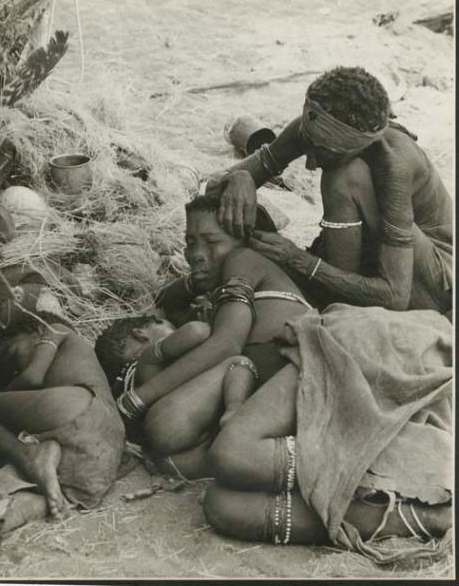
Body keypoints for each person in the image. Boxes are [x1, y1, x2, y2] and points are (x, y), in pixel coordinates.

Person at [202, 304, 453, 560]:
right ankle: (357, 485)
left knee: (224, 503)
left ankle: (422, 518)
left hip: (397, 346)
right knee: (226, 472)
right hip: (377, 336)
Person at [206, 66, 452, 316]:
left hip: (434, 281)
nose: (310, 164)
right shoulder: (314, 127)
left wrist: (300, 261)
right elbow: (213, 191)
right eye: (306, 144)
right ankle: (330, 286)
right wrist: (241, 178)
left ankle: (330, 295)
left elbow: (395, 296)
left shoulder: (394, 166)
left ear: (359, 145)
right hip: (380, 260)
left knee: (343, 177)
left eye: (323, 152)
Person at [117, 195, 313, 478]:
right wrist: (198, 280)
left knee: (166, 433)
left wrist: (137, 398)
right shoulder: (223, 290)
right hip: (271, 395)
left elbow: (226, 344)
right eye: (189, 242)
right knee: (171, 457)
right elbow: (164, 300)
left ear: (244, 241)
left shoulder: (242, 259)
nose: (196, 253)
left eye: (211, 242)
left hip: (298, 375)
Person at [0, 312, 125, 518]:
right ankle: (36, 456)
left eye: (13, 356)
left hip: (77, 402)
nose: (16, 374)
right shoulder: (66, 353)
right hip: (102, 452)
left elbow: (31, 379)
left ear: (37, 331)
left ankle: (29, 455)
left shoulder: (53, 329)